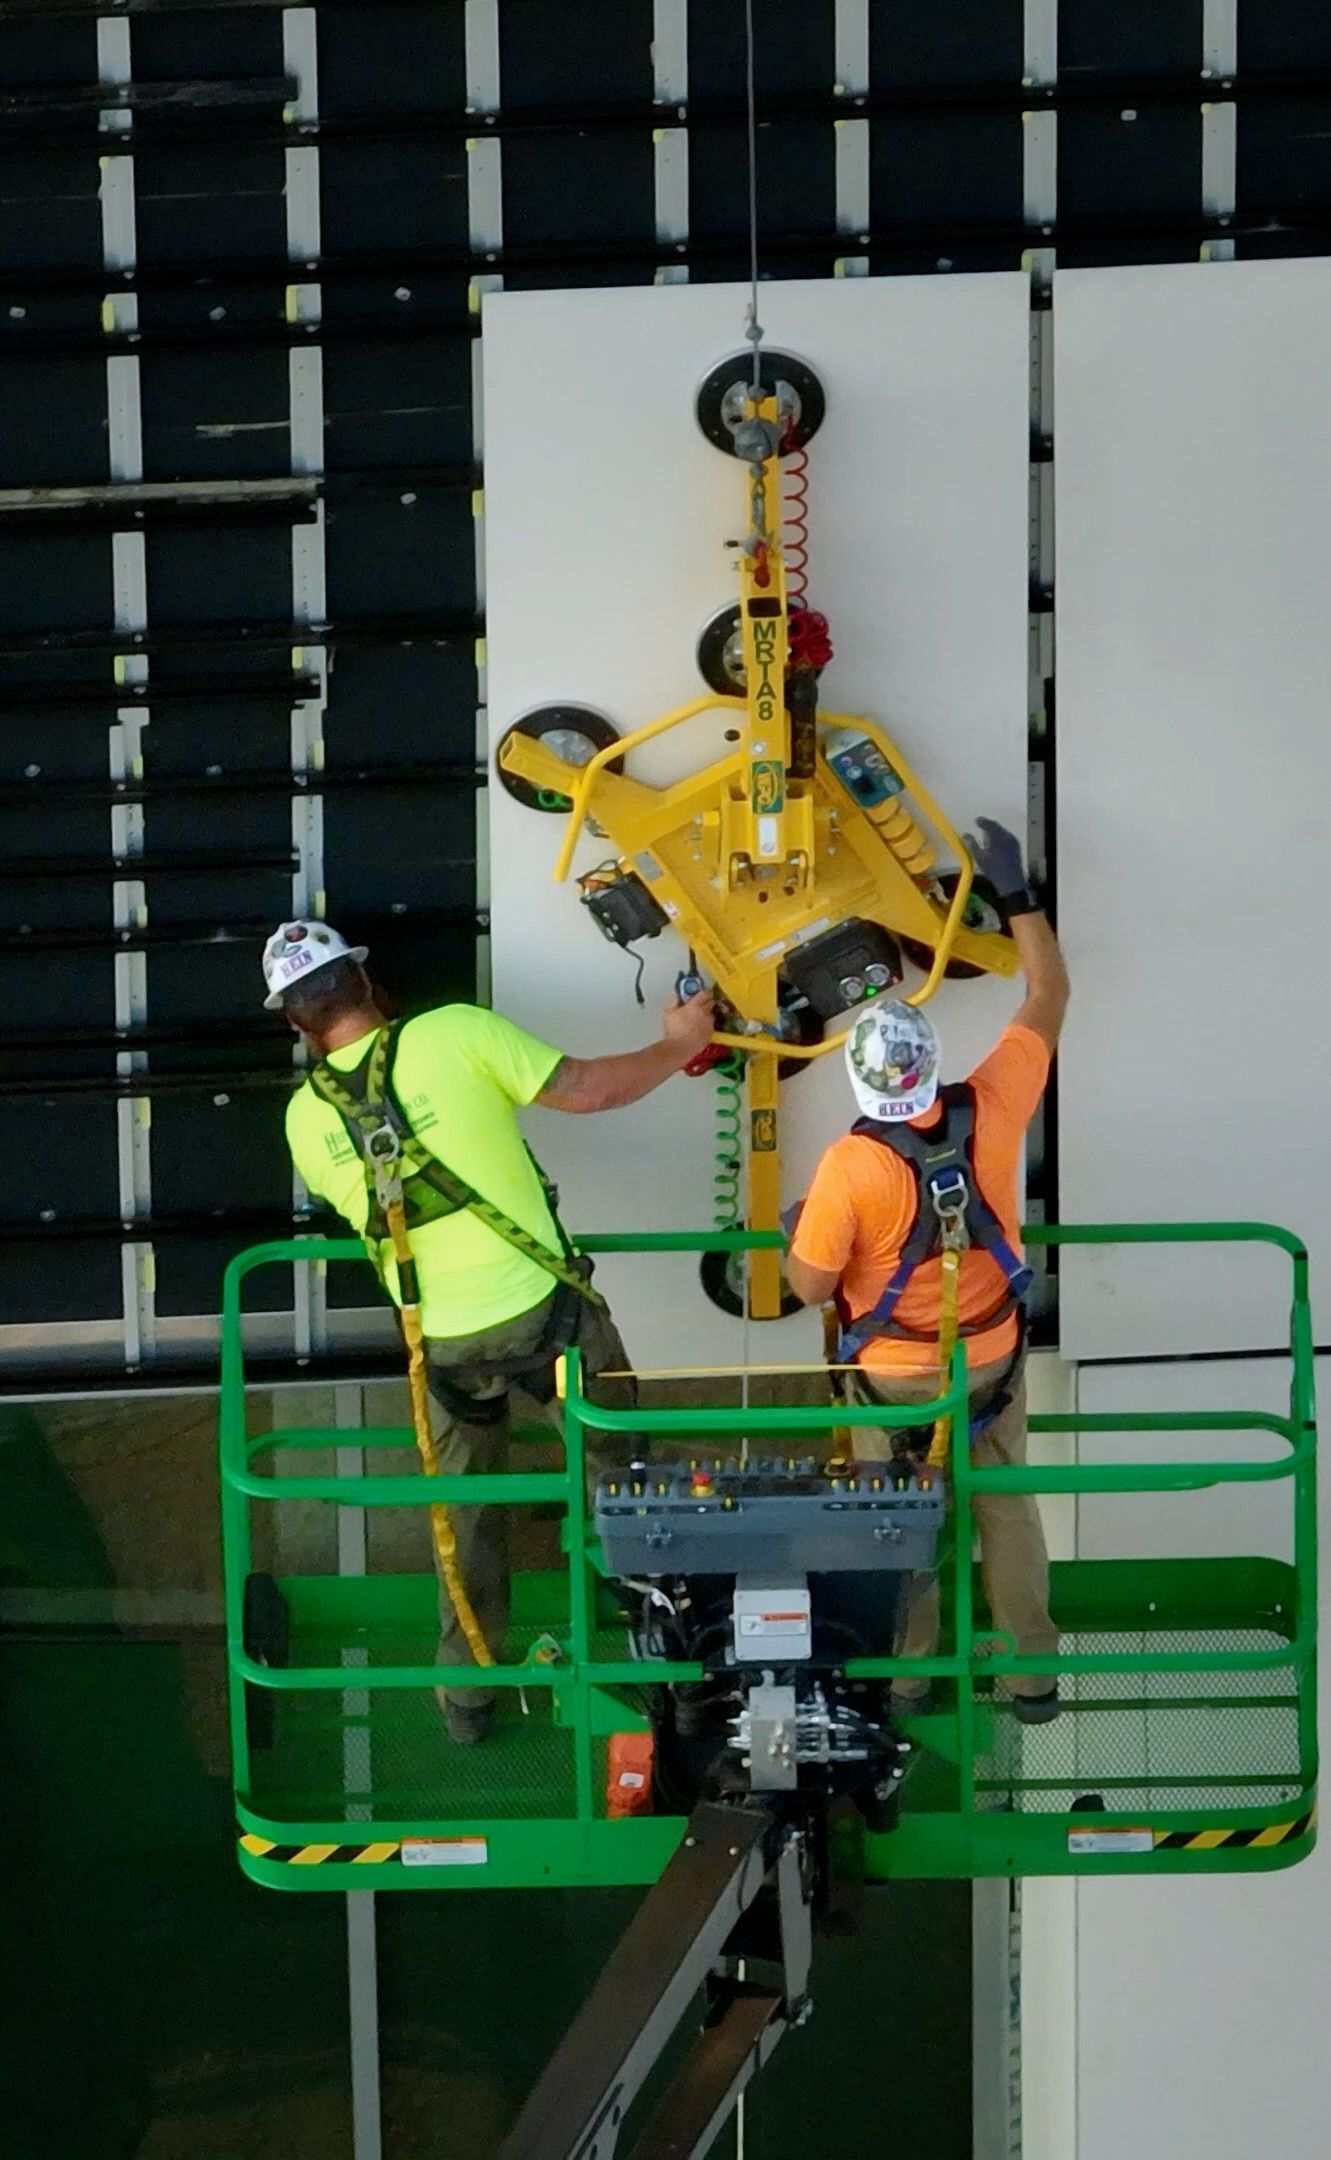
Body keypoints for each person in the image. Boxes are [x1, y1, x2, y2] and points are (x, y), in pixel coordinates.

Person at [265, 919, 715, 1744]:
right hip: (550, 1319)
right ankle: (673, 1632)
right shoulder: (453, 1031)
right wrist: (680, 1044)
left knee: (465, 1515)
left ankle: (467, 1698)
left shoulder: (303, 1121)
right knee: (621, 1465)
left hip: (442, 1351)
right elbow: (587, 1089)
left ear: (295, 1022)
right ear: (365, 985)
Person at [786, 819, 1070, 1724]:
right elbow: (1048, 994)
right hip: (989, 1360)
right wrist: (1013, 895)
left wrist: (808, 1233)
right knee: (1006, 1509)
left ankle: (907, 1682)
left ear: (863, 1087)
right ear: (931, 1068)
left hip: (894, 1378)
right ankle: (1029, 1680)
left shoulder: (849, 1168)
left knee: (895, 1520)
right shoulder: (992, 1103)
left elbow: (809, 1290)